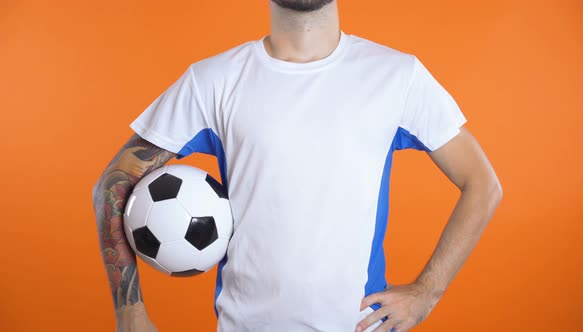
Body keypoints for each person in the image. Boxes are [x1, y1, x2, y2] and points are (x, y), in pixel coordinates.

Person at [91, 0, 503, 331]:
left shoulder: (397, 76)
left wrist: (427, 291)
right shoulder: (213, 81)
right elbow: (114, 182)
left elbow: (482, 184)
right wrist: (130, 314)